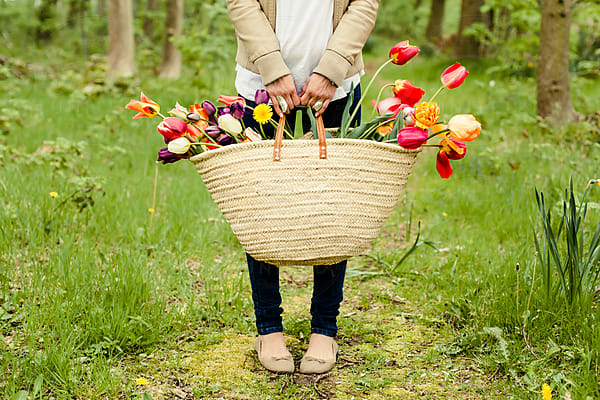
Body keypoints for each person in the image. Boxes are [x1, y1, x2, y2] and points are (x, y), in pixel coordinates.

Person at [226, 0, 379, 374]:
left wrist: (331, 70)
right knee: (262, 206)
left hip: (337, 86)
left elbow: (364, 4)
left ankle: (325, 327)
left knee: (330, 205)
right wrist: (271, 67)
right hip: (261, 86)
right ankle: (269, 328)